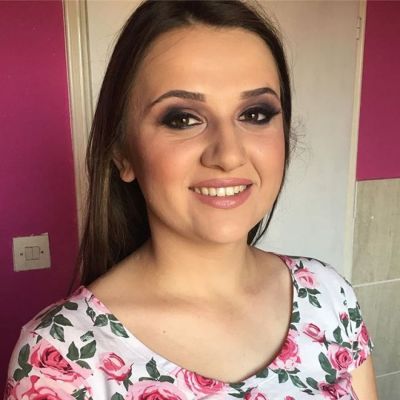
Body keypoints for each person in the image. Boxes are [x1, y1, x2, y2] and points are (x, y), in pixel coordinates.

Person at [5, 1, 377, 399]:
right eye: (182, 119)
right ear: (122, 153)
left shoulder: (329, 296)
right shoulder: (63, 357)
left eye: (255, 114)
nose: (228, 154)